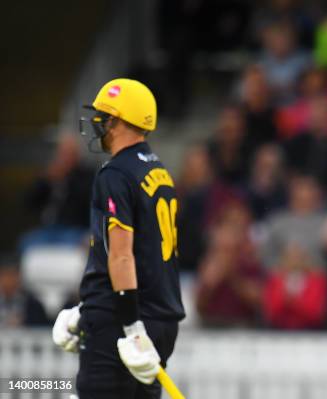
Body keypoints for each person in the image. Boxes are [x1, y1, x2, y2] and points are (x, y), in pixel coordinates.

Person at [52, 78, 185, 398]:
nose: (98, 123)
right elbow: (146, 253)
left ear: (119, 120)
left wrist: (129, 325)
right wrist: (86, 308)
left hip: (123, 322)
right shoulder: (159, 171)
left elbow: (122, 255)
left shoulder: (115, 174)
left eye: (104, 115)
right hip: (160, 319)